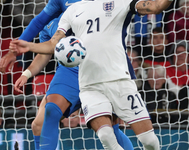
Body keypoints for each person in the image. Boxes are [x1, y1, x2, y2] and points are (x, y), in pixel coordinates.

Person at [9, 0, 173, 149]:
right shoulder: (68, 12)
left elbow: (155, 6)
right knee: (100, 134)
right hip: (82, 79)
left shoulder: (118, 3)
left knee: (140, 138)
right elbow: (51, 43)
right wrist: (29, 50)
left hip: (114, 74)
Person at [13, 16, 134, 150]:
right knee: (39, 124)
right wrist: (26, 74)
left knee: (109, 128)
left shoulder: (86, 10)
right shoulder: (48, 21)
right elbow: (44, 54)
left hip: (96, 71)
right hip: (68, 74)